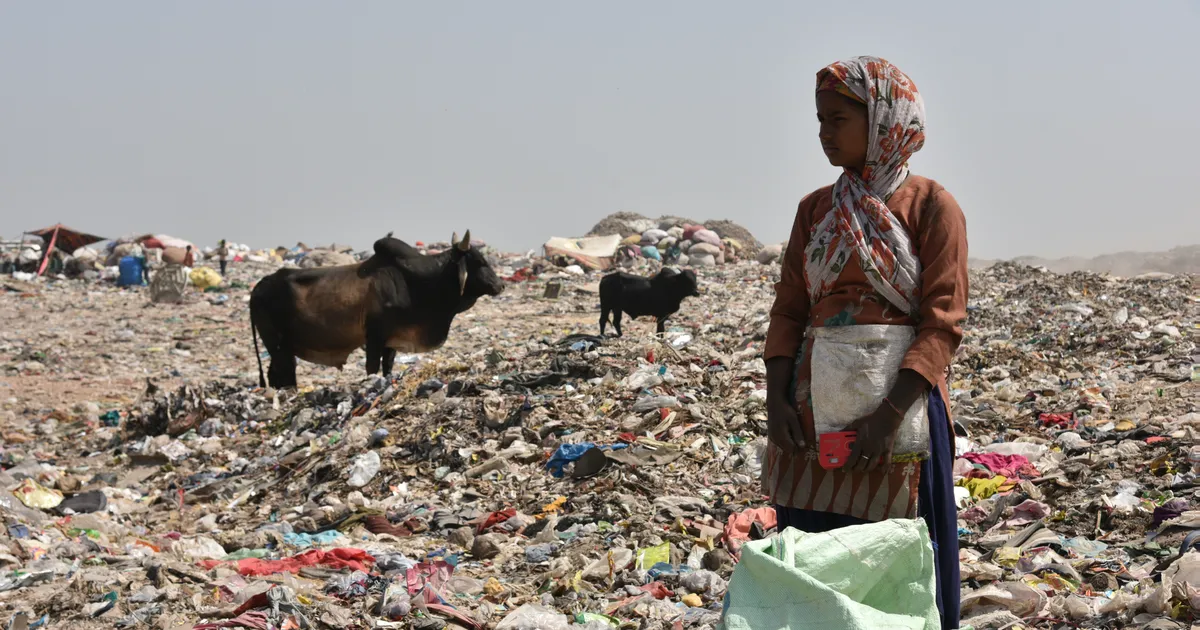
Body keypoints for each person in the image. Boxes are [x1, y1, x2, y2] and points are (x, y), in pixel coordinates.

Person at [763, 56, 967, 628]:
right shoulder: (816, 210)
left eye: (837, 119)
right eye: (819, 120)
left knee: (900, 560)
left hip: (901, 413)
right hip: (812, 412)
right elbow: (789, 310)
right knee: (818, 560)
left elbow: (942, 322)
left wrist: (888, 416)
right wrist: (776, 400)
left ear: (882, 121)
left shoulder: (931, 206)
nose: (824, 134)